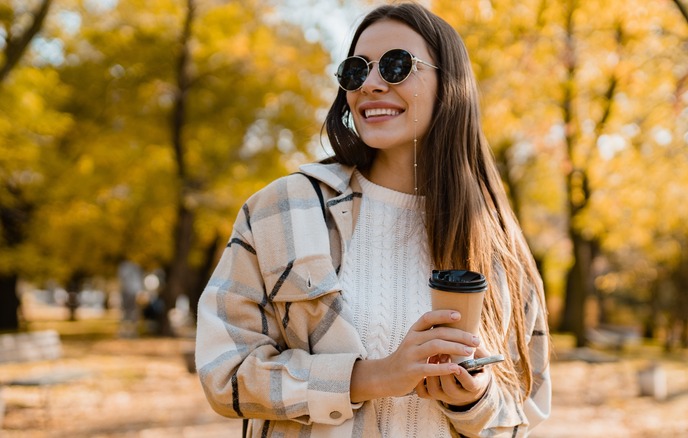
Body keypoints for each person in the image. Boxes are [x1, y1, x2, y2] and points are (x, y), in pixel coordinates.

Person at [196, 2, 551, 437]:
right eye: (355, 71)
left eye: (397, 66)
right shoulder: (282, 209)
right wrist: (374, 376)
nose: (371, 84)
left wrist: (474, 398)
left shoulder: (498, 244)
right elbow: (224, 371)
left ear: (450, 84)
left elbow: (525, 412)